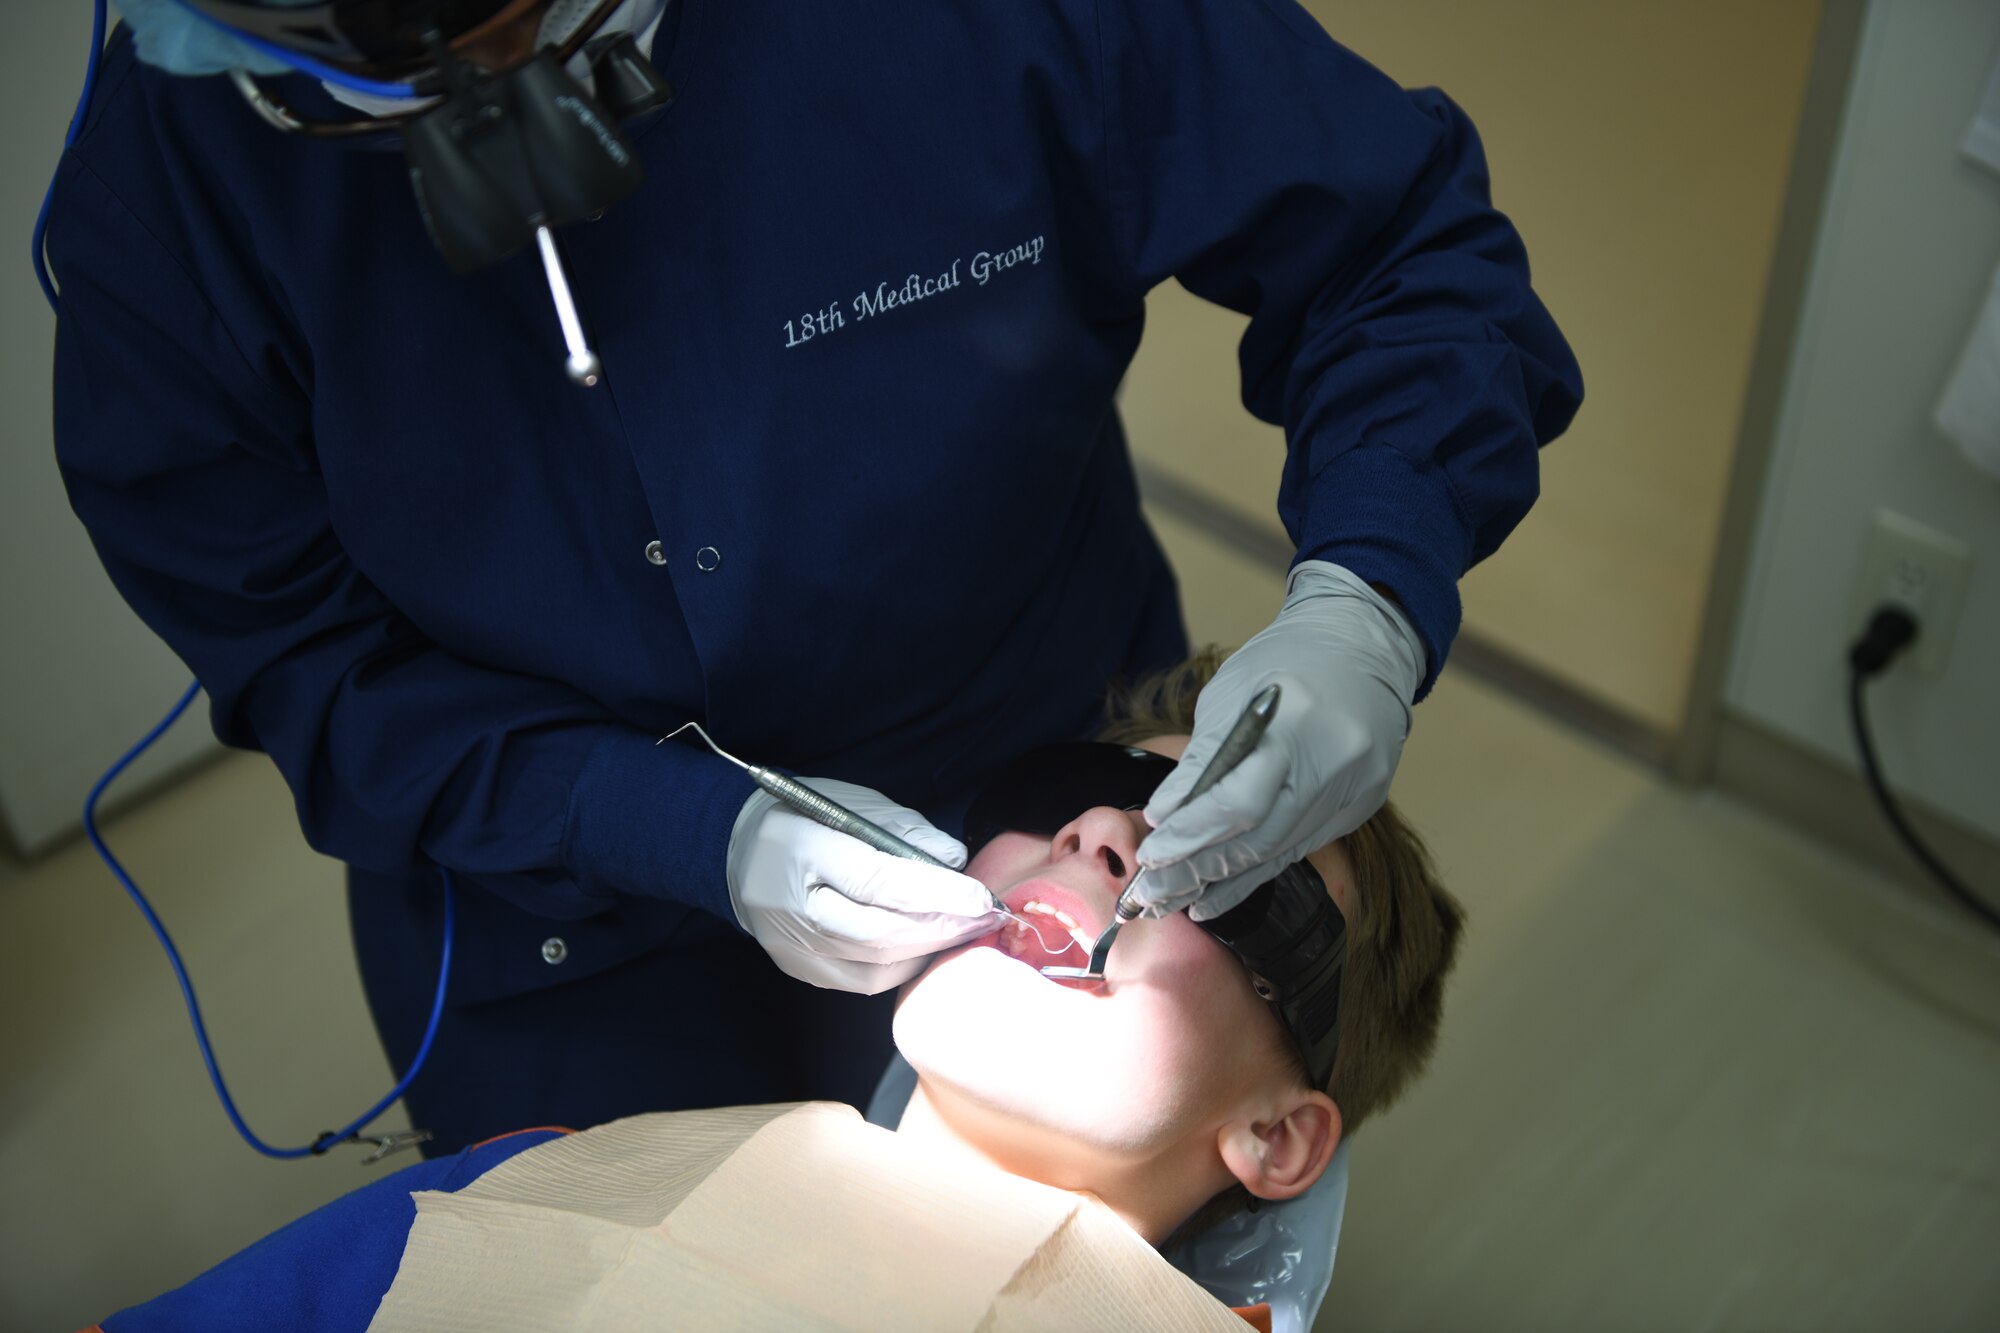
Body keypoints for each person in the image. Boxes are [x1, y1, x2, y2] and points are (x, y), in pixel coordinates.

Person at [47, 0, 1574, 1153]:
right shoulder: (169, 194)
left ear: (1284, 1141)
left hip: (1018, 687)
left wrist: (1371, 588)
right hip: (553, 905)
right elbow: (310, 663)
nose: (1114, 833)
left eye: (1230, 908)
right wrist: (676, 831)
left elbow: (1392, 244)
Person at [92, 651, 1464, 1331]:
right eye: (1079, 797)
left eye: (1225, 874)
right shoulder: (546, 1177)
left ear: (1278, 1136)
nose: (1105, 836)